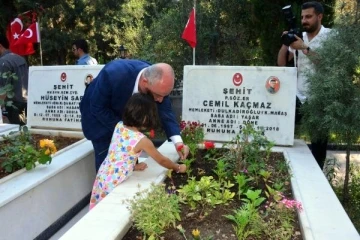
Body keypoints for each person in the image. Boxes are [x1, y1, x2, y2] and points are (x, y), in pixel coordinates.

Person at [80, 59, 190, 171]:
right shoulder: (113, 74)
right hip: (100, 122)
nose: (160, 100)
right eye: (158, 95)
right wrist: (127, 132)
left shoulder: (157, 82)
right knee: (108, 168)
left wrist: (178, 143)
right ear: (145, 82)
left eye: (165, 95)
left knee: (131, 165)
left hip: (126, 127)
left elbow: (166, 112)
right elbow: (97, 107)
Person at [89, 93, 187, 209]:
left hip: (105, 174)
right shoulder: (141, 140)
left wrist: (133, 166)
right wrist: (178, 167)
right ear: (146, 117)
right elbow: (162, 160)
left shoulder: (119, 126)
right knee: (110, 208)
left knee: (100, 207)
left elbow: (120, 154)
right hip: (116, 180)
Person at [277, 1, 332, 169]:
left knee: (318, 148)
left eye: (308, 16)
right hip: (299, 97)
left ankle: (317, 182)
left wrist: (304, 48)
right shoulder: (300, 37)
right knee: (281, 131)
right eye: (302, 17)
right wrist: (286, 43)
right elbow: (281, 64)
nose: (304, 21)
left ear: (319, 16)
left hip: (320, 99)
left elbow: (328, 65)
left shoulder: (331, 36)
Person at [0, 34, 28, 125]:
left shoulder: (3, 62)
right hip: (26, 103)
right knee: (24, 129)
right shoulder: (20, 58)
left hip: (14, 107)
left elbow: (3, 90)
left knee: (16, 133)